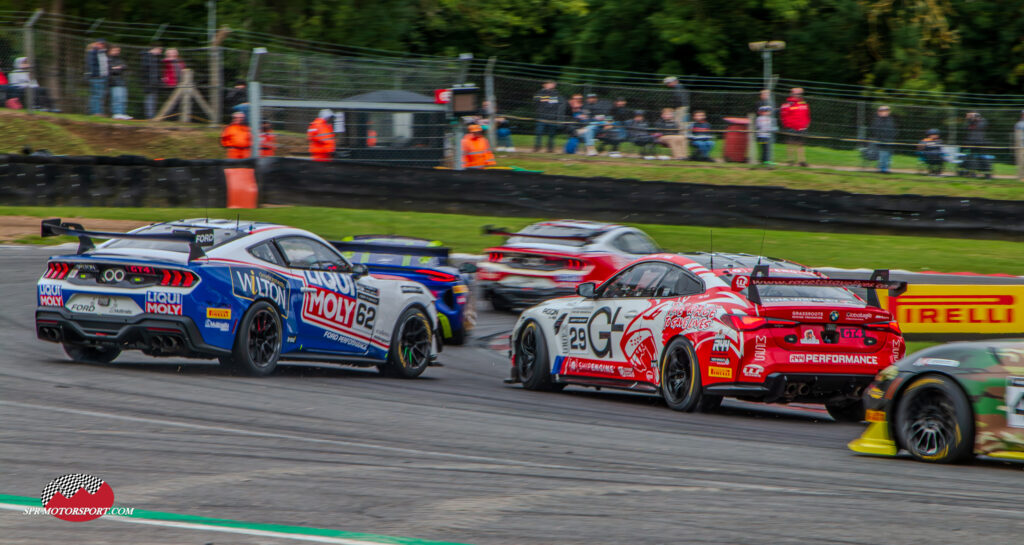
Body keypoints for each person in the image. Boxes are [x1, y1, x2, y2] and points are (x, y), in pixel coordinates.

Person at [779, 87, 810, 166]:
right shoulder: (787, 104)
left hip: (802, 127)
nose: (798, 95)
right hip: (791, 127)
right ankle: (790, 160)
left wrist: (807, 123)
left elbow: (807, 114)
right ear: (792, 94)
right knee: (790, 143)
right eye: (796, 93)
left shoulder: (804, 103)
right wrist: (787, 125)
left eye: (800, 94)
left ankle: (802, 161)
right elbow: (783, 115)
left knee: (801, 144)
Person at [532, 80, 562, 153]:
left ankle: (550, 148)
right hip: (541, 116)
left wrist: (544, 99)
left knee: (551, 134)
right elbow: (536, 99)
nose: (551, 85)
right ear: (544, 85)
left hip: (552, 116)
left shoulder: (556, 93)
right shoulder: (540, 92)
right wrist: (547, 98)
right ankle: (537, 147)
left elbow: (556, 103)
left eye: (552, 84)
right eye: (549, 84)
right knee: (539, 132)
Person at [869, 105, 897, 173]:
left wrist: (892, 136)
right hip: (880, 141)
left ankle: (886, 168)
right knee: (882, 154)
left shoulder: (890, 120)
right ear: (879, 112)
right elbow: (874, 130)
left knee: (888, 156)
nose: (884, 112)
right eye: (882, 111)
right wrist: (879, 138)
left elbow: (894, 129)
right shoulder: (877, 120)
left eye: (886, 111)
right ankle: (882, 169)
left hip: (889, 141)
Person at [85, 40, 109, 115]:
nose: (101, 45)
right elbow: (91, 64)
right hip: (96, 77)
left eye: (102, 44)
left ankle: (98, 111)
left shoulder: (102, 53)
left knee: (99, 95)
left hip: (102, 77)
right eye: (99, 44)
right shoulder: (93, 52)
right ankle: (96, 112)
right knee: (96, 95)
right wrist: (94, 74)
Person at [107, 46, 131, 120]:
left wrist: (117, 68)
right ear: (110, 51)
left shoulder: (119, 59)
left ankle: (122, 113)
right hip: (114, 81)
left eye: (118, 50)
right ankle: (116, 113)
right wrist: (118, 68)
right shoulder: (108, 59)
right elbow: (111, 70)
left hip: (122, 81)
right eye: (114, 50)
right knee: (117, 98)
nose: (116, 52)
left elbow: (124, 66)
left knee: (123, 98)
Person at [963, 112, 990, 176]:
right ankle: (972, 172)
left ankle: (986, 172)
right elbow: (965, 127)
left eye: (976, 117)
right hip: (972, 143)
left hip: (980, 143)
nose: (975, 118)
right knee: (971, 157)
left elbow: (982, 125)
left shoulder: (982, 122)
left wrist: (974, 119)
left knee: (982, 157)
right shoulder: (971, 123)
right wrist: (968, 118)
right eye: (974, 117)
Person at [141, 44, 163, 119]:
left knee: (154, 99)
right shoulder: (147, 57)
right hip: (149, 82)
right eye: (160, 50)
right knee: (150, 99)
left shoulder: (155, 58)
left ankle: (152, 116)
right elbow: (146, 71)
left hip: (155, 82)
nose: (161, 52)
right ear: (155, 48)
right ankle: (150, 116)